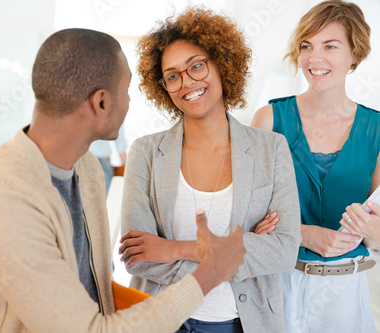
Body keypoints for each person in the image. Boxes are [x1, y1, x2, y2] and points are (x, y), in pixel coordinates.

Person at [0, 28, 246, 333]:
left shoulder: (86, 167)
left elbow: (93, 291)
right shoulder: (2, 200)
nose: (129, 101)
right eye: (127, 89)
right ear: (101, 102)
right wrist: (210, 272)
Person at [119, 8, 301, 333]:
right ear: (163, 86)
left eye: (197, 65)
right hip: (164, 319)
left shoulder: (270, 149)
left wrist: (174, 248)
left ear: (221, 63)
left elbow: (284, 250)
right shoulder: (145, 152)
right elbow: (139, 256)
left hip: (244, 323)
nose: (187, 82)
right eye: (173, 75)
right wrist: (239, 248)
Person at [250, 1, 380, 332]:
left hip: (346, 294)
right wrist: (303, 235)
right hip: (276, 283)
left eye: (330, 46)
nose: (314, 58)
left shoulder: (377, 130)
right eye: (306, 46)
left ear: (355, 54)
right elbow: (243, 215)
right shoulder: (269, 120)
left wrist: (373, 232)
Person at [89, 125, 127, 196]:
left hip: (80, 161)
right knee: (102, 202)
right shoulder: (114, 114)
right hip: (102, 162)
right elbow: (120, 144)